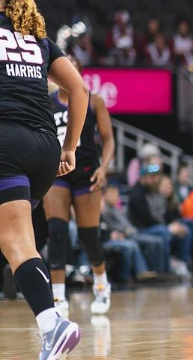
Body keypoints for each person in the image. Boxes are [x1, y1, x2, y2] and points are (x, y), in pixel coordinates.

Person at [0, 0, 86, 358]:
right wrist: (70, 147)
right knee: (18, 241)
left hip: (7, 143)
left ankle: (52, 325)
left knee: (16, 240)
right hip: (45, 149)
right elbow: (79, 89)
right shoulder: (37, 39)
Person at [44, 54, 115, 318]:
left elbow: (108, 140)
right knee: (58, 232)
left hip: (86, 172)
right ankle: (58, 296)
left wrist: (104, 167)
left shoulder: (93, 101)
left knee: (89, 237)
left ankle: (101, 285)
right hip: (58, 173)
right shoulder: (47, 103)